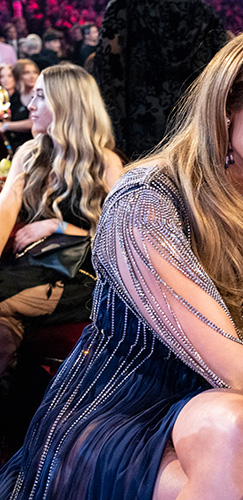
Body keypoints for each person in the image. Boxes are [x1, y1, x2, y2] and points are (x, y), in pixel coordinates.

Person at [0, 25, 243, 500]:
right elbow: (235, 369)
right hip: (116, 410)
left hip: (206, 413)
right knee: (238, 422)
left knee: (240, 425)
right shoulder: (146, 199)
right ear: (227, 105)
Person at [0, 63, 122, 387]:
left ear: (66, 103)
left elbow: (119, 238)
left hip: (80, 277)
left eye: (41, 96)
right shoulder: (29, 152)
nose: (30, 105)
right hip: (33, 268)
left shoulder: (106, 162)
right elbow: (4, 213)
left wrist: (57, 226)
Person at [93, 0, 229, 159]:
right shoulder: (206, 13)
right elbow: (222, 77)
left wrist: (115, 140)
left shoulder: (123, 8)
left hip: (138, 136)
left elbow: (108, 75)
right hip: (193, 132)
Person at [2, 59, 37, 153]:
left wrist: (6, 126)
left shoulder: (39, 96)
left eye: (35, 72)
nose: (32, 76)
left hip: (34, 146)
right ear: (18, 76)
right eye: (26, 72)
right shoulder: (14, 97)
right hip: (16, 147)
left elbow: (33, 122)